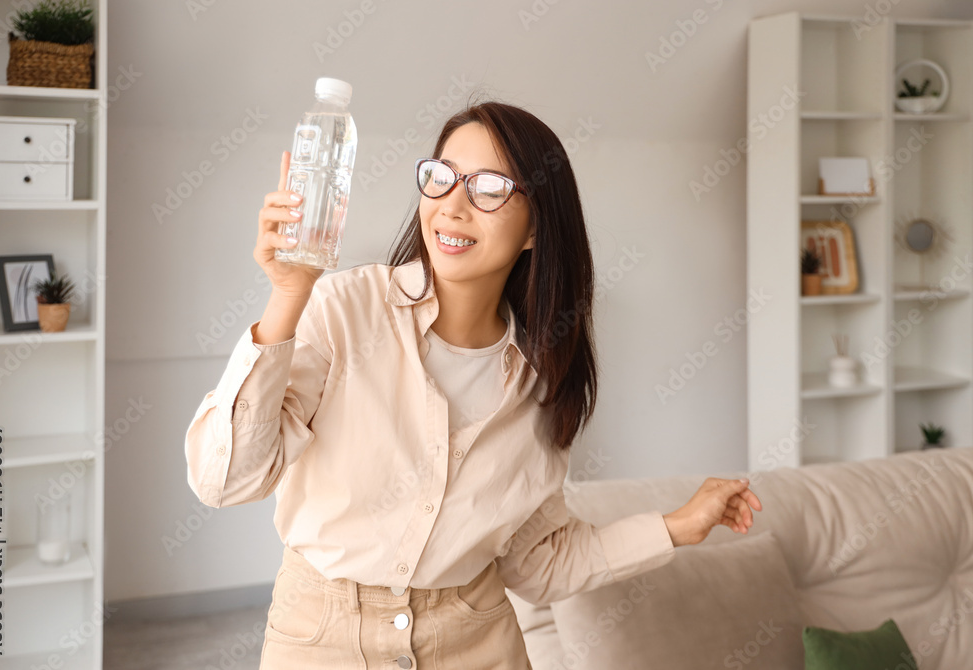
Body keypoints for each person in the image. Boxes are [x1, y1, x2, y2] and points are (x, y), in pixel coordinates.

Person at [184, 100, 762, 669]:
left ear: (537, 227)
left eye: (488, 188)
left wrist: (678, 527)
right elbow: (226, 481)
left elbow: (539, 563)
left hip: (476, 641)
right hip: (319, 638)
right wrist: (287, 295)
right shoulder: (342, 309)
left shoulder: (540, 384)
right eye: (441, 179)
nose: (453, 206)